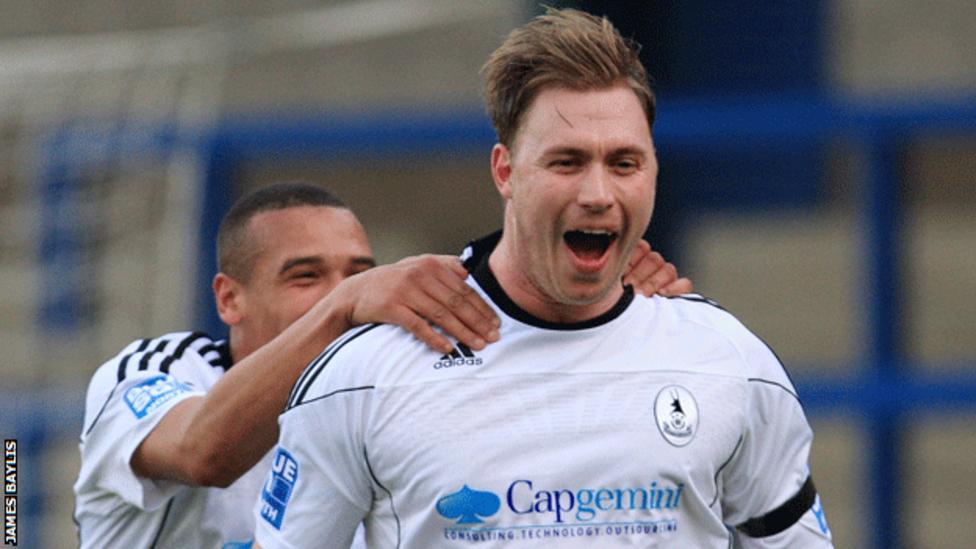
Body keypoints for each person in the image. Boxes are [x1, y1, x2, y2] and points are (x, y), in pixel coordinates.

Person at [253, 9, 833, 549]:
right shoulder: (365, 375)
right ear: (506, 172)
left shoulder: (730, 361)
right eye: (567, 162)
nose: (599, 195)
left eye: (624, 163)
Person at [72, 181, 690, 548]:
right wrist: (343, 308)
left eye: (358, 275)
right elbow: (206, 454)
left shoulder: (380, 394)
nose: (343, 293)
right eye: (306, 276)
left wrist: (610, 306)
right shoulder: (153, 373)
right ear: (229, 298)